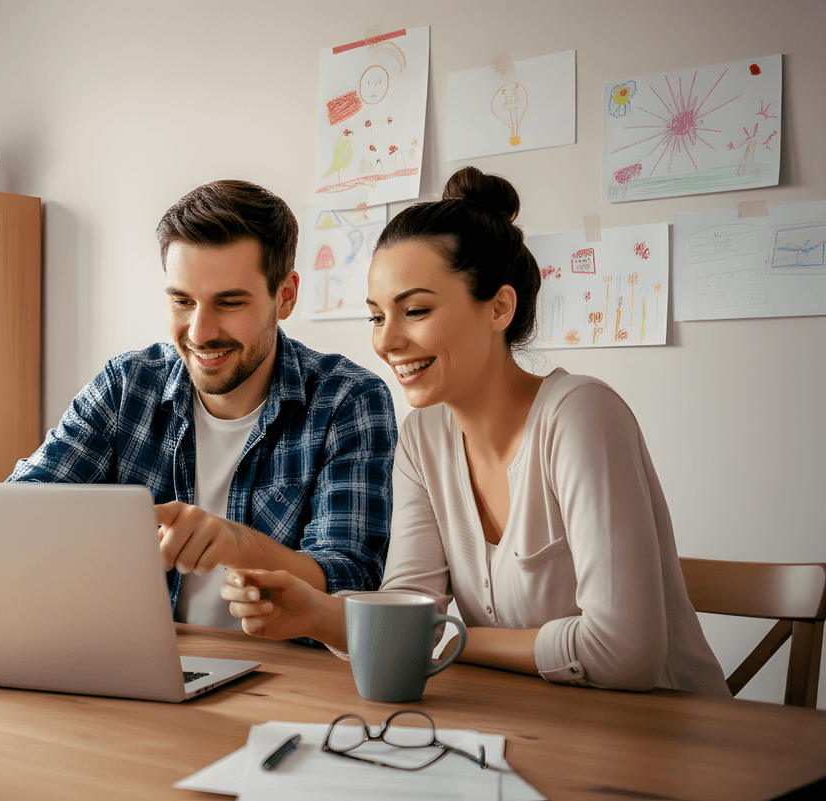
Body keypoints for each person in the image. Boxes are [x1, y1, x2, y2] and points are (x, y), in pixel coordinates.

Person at [222, 167, 730, 694]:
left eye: (415, 310)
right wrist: (316, 613)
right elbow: (406, 610)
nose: (386, 342)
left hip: (666, 736)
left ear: (500, 307)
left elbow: (624, 654)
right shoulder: (422, 439)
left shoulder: (582, 416)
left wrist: (445, 640)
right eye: (377, 317)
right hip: (535, 729)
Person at [7, 179, 397, 632]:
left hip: (285, 679)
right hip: (135, 657)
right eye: (182, 301)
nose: (199, 332)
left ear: (285, 295)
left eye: (229, 302)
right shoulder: (126, 386)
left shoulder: (347, 400)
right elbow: (20, 511)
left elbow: (349, 580)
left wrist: (239, 544)